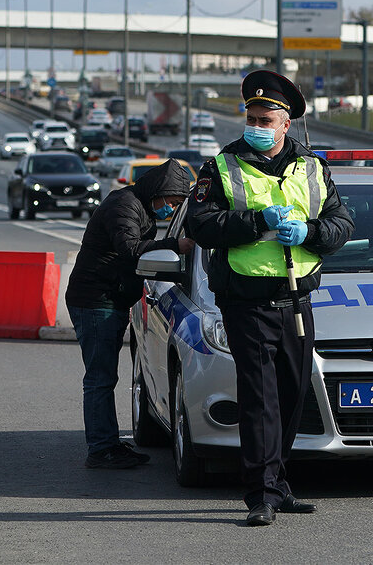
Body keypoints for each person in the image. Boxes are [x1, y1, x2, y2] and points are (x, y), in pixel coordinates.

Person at [186, 70, 354, 526]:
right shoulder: (221, 167)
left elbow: (342, 224)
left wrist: (311, 232)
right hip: (246, 299)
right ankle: (260, 493)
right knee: (260, 399)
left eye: (266, 119)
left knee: (292, 394)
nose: (256, 126)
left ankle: (278, 485)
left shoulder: (313, 167)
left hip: (297, 299)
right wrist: (255, 221)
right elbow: (199, 226)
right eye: (252, 117)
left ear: (286, 124)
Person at [66, 159, 195, 469]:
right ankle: (100, 449)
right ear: (160, 192)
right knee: (100, 378)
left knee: (104, 376)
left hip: (108, 298)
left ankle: (108, 443)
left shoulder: (140, 207)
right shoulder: (123, 205)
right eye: (173, 202)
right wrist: (174, 244)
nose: (172, 209)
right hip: (96, 301)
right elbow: (130, 248)